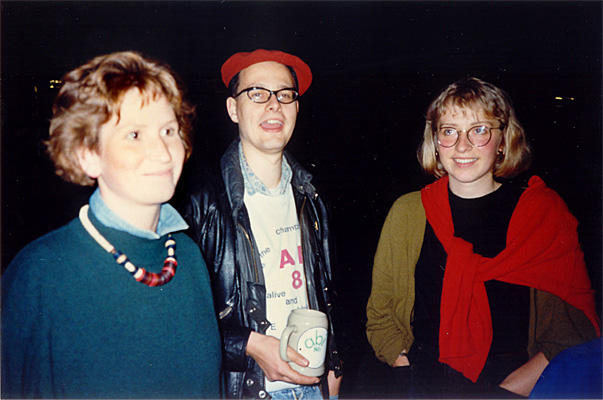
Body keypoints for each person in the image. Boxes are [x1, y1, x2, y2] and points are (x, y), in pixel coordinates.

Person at [1, 51, 221, 399]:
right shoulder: (40, 274)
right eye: (134, 134)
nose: (163, 152)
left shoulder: (189, 258)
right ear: (88, 156)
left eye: (168, 131)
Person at [366, 77, 600, 398]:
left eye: (478, 130)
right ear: (435, 141)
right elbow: (381, 314)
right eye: (449, 131)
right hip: (424, 383)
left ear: (503, 140)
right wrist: (407, 371)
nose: (462, 146)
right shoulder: (408, 212)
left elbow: (571, 330)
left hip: (515, 386)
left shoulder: (543, 213)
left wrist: (506, 392)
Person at [182, 49, 343, 399]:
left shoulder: (313, 196)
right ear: (233, 109)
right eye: (257, 93)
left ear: (296, 108)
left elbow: (326, 290)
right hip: (248, 389)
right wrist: (250, 345)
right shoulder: (202, 204)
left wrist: (334, 362)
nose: (274, 105)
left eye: (285, 95)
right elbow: (181, 321)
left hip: (314, 388)